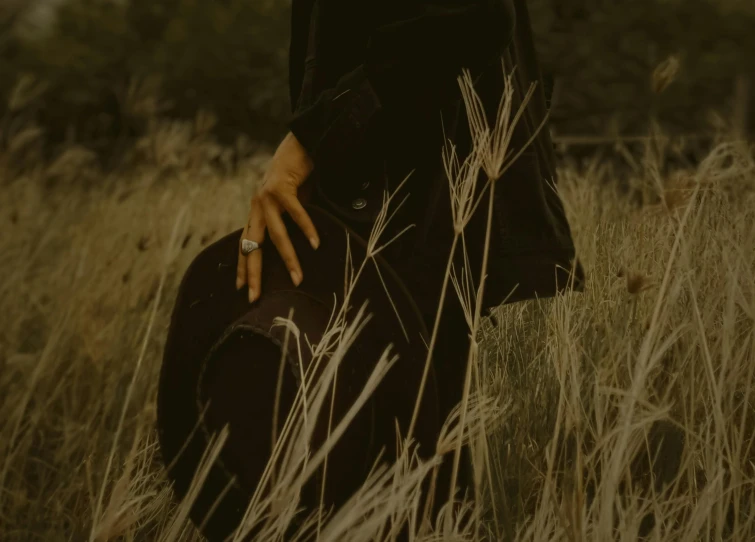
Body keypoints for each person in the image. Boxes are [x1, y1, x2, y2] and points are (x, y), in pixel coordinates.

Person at [235, 0, 583, 526]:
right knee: (392, 483)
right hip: (380, 222)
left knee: (406, 483)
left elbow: (477, 16)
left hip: (411, 221)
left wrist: (314, 136)